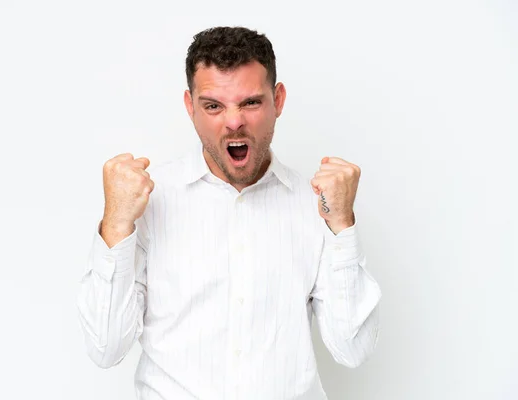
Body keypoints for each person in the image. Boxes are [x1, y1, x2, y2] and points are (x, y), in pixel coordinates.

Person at [77, 26, 382, 400]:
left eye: (251, 103)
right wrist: (116, 223)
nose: (234, 122)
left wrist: (342, 225)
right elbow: (106, 348)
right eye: (213, 106)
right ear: (191, 106)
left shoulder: (316, 205)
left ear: (278, 99)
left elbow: (353, 349)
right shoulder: (147, 201)